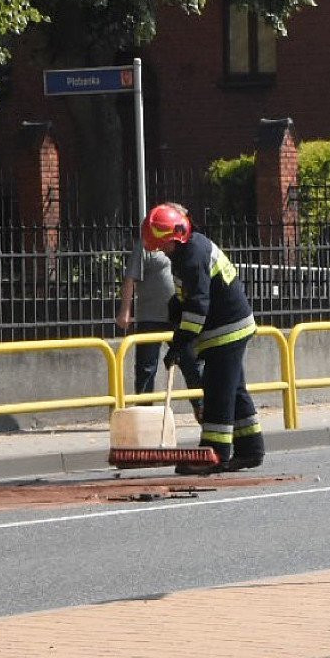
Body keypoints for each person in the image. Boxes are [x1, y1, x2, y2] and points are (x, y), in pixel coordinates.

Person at [142, 202, 264, 474]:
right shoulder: (188, 250)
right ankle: (250, 449)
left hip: (226, 329)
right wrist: (177, 305)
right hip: (229, 326)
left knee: (218, 390)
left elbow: (198, 307)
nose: (161, 250)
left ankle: (214, 454)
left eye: (163, 245)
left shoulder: (192, 255)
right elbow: (192, 297)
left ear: (175, 236)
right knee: (233, 388)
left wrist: (180, 343)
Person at [117, 233, 198, 398]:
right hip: (150, 317)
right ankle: (144, 411)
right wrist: (125, 310)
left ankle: (202, 408)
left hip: (178, 317)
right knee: (146, 368)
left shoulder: (182, 244)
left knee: (190, 362)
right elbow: (130, 278)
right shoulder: (145, 244)